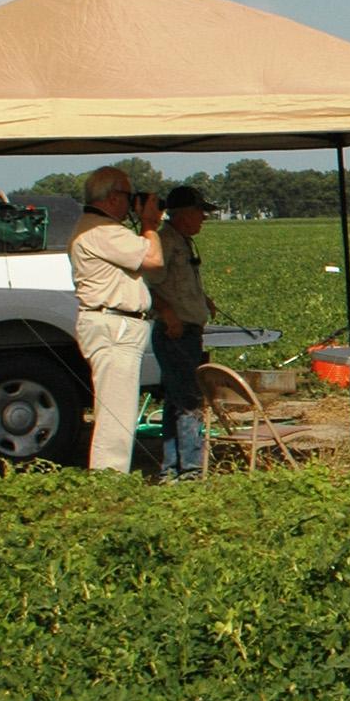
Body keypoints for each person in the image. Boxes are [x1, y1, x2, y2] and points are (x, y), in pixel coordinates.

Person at [69, 167, 164, 472]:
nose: (131, 202)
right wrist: (149, 223)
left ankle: (110, 477)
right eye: (128, 195)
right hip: (114, 326)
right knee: (117, 411)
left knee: (117, 407)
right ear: (112, 198)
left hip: (113, 324)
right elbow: (153, 259)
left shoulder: (97, 228)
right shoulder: (102, 231)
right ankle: (109, 479)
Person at [150, 185, 219, 481]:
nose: (203, 218)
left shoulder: (183, 241)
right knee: (189, 401)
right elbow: (149, 283)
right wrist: (167, 313)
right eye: (199, 212)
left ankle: (171, 469)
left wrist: (202, 300)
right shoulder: (164, 241)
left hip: (189, 331)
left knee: (176, 400)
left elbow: (178, 283)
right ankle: (190, 471)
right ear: (183, 213)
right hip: (175, 333)